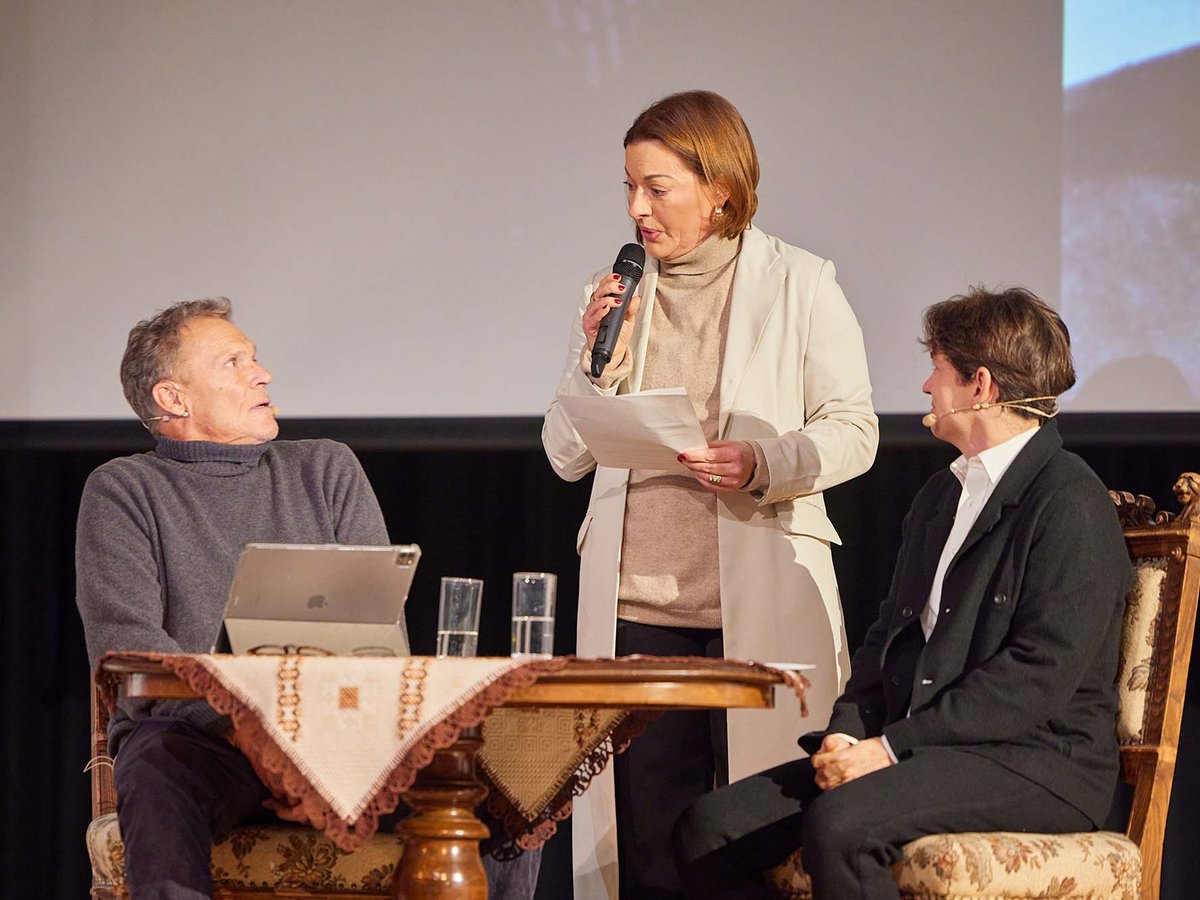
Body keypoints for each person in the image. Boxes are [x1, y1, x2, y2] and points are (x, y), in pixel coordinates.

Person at [672, 286, 1133, 899]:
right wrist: (846, 730)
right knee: (710, 828)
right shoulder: (942, 497)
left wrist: (889, 749)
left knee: (842, 825)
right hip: (930, 748)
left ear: (981, 386)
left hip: (1039, 760)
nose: (925, 387)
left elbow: (1037, 676)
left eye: (937, 369)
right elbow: (888, 637)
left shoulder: (1069, 502)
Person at [76, 298, 538, 899]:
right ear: (173, 399)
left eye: (256, 359)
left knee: (509, 787)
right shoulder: (124, 490)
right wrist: (248, 726)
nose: (262, 374)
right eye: (233, 363)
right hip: (210, 744)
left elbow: (377, 638)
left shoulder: (325, 468)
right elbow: (128, 649)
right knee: (155, 767)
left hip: (343, 746)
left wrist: (315, 737)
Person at [542, 90, 878, 898]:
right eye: (629, 188)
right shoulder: (615, 292)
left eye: (657, 188)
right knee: (649, 852)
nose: (636, 209)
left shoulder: (801, 283)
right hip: (637, 610)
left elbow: (854, 428)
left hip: (757, 604)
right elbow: (563, 453)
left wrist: (766, 461)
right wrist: (595, 364)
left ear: (719, 187)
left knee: (760, 844)